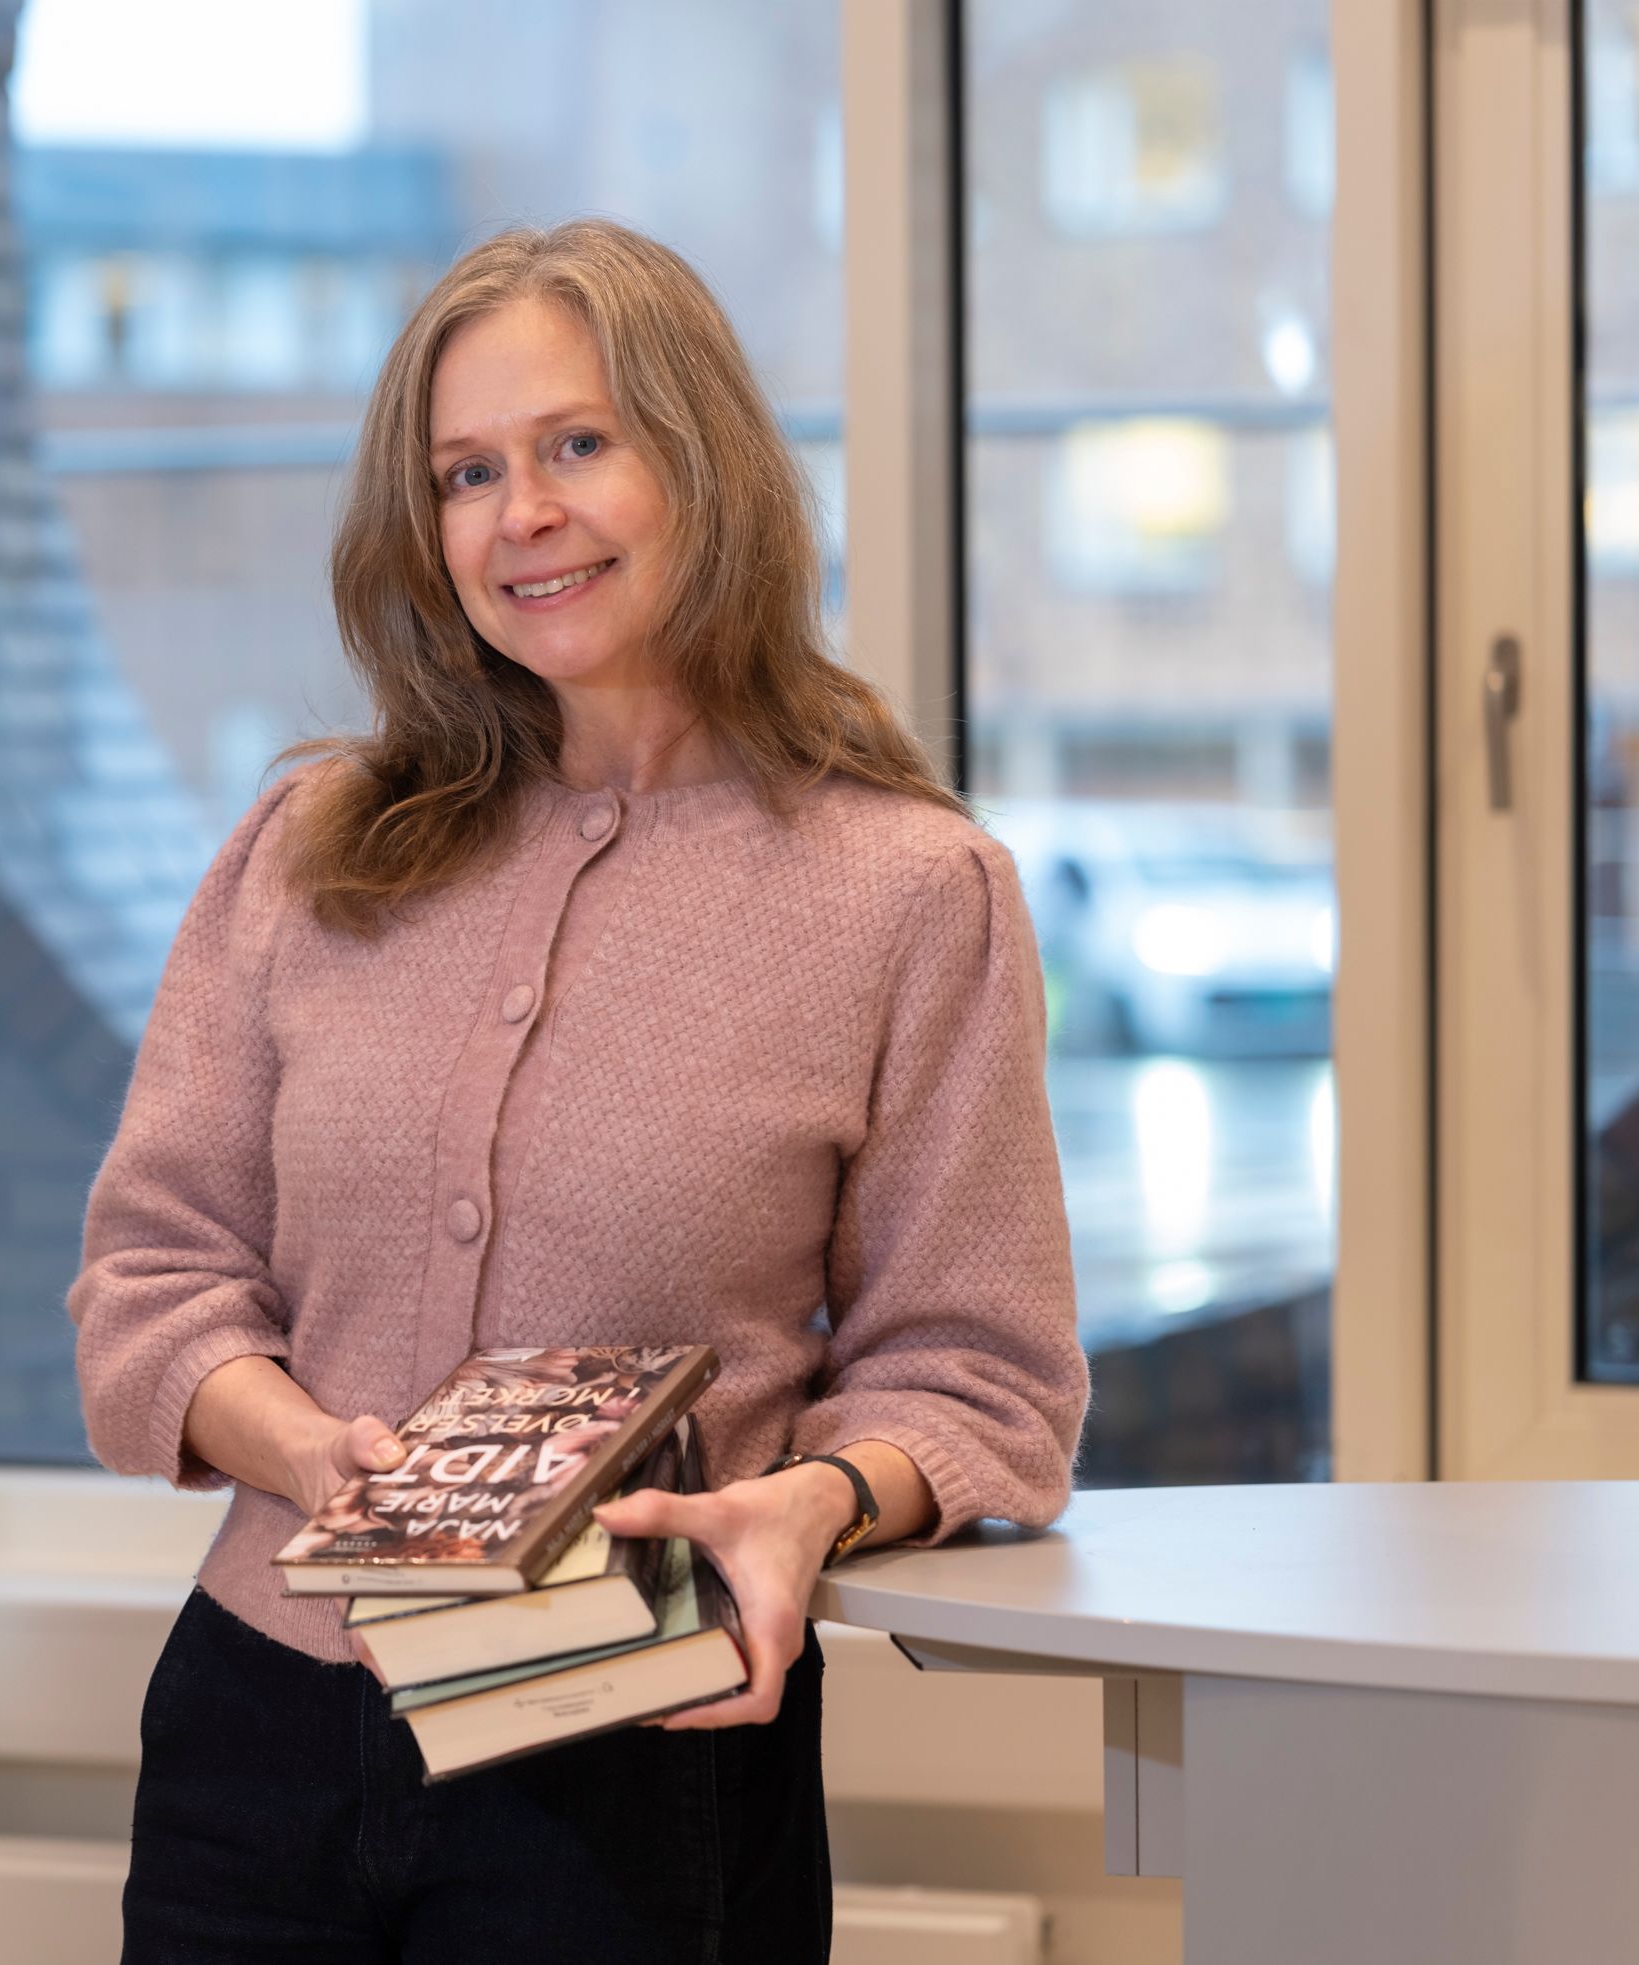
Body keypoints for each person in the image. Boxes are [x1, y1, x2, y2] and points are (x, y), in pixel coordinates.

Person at [69, 218, 1088, 1964]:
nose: (517, 513)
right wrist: (303, 1445)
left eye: (573, 445)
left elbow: (980, 1373)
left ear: (699, 464)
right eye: (465, 471)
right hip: (252, 1741)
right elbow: (152, 1278)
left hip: (633, 1751)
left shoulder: (908, 893)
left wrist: (808, 1503)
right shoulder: (308, 849)